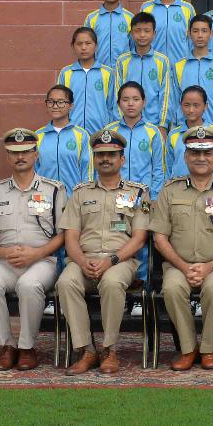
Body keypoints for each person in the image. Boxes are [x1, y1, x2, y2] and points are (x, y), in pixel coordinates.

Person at [151, 125, 213, 370]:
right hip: (178, 265)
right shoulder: (169, 190)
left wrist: (211, 266)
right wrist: (184, 267)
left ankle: (207, 349)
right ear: (186, 156)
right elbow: (159, 238)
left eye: (207, 153)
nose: (201, 158)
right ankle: (188, 349)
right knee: (172, 289)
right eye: (195, 152)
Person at [56, 128, 151, 375]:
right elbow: (70, 237)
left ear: (122, 159)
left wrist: (112, 260)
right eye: (100, 155)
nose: (105, 159)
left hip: (121, 260)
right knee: (66, 282)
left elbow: (139, 238)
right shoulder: (80, 193)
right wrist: (81, 261)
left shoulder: (138, 193)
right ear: (94, 159)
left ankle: (110, 350)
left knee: (111, 282)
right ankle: (86, 350)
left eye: (111, 154)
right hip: (83, 260)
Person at [0, 128, 66, 372]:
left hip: (42, 261)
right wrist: (3, 253)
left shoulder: (54, 189)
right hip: (4, 261)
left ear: (36, 154)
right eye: (14, 152)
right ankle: (7, 346)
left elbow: (64, 235)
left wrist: (37, 253)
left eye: (26, 151)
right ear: (8, 156)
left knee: (29, 285)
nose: (20, 157)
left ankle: (27, 347)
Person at [104, 81, 166, 292]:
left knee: (142, 242)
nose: (130, 104)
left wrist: (154, 197)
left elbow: (158, 169)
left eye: (135, 99)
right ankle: (120, 287)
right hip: (116, 196)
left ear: (144, 102)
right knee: (118, 235)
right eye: (125, 99)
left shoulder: (152, 132)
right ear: (119, 103)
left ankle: (141, 291)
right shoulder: (110, 132)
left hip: (143, 200)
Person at [115, 11, 172, 129]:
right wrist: (121, 122)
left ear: (154, 33)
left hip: (154, 124)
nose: (142, 35)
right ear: (131, 33)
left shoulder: (162, 61)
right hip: (126, 124)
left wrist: (163, 125)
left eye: (147, 31)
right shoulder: (122, 61)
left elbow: (165, 95)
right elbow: (117, 94)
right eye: (137, 30)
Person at [172, 14, 213, 130]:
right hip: (184, 128)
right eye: (195, 31)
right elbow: (174, 99)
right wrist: (175, 126)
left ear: (211, 33)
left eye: (204, 31)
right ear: (189, 34)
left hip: (212, 127)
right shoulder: (179, 65)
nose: (200, 35)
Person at [56, 27, 117, 136]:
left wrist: (110, 130)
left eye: (88, 43)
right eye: (79, 44)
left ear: (96, 46)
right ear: (73, 46)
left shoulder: (107, 73)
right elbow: (60, 103)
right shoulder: (66, 73)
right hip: (72, 133)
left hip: (101, 133)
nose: (83, 47)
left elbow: (113, 105)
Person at [34, 84, 92, 193]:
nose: (55, 106)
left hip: (73, 197)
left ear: (71, 106)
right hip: (44, 198)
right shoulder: (38, 136)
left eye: (61, 102)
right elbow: (33, 170)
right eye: (51, 102)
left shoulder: (82, 135)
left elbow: (87, 170)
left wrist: (83, 196)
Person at [140, 0, 195, 64]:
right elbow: (139, 37)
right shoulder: (146, 8)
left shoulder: (187, 9)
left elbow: (193, 39)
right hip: (153, 66)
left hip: (181, 66)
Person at [167, 86, 213, 179]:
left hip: (208, 187)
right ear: (181, 106)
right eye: (187, 105)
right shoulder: (173, 134)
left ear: (205, 106)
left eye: (196, 105)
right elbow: (168, 167)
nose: (191, 110)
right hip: (178, 186)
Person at [84, 0, 133, 69]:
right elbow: (86, 45)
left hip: (124, 70)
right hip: (98, 70)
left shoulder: (130, 18)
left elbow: (134, 46)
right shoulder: (91, 18)